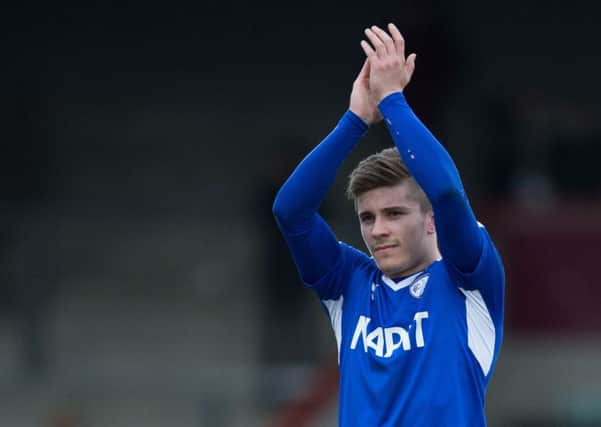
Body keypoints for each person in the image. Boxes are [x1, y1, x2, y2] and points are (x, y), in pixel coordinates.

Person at [272, 23, 505, 427]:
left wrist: (394, 100)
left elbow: (448, 192)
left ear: (432, 219)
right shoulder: (348, 283)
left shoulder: (467, 277)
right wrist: (355, 119)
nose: (377, 230)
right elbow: (290, 211)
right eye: (367, 217)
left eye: (394, 213)